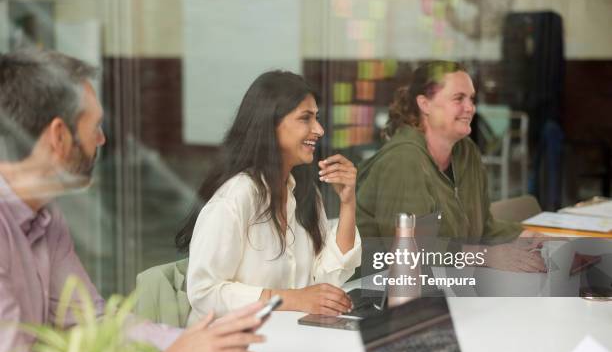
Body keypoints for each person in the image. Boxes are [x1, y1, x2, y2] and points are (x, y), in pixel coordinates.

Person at [0, 50, 264, 352]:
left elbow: (91, 321)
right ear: (58, 136)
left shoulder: (44, 214)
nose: (102, 139)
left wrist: (189, 343)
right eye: (94, 126)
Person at [176, 71, 361, 319]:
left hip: (291, 337)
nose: (319, 129)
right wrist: (293, 298)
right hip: (234, 346)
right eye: (305, 118)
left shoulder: (303, 190)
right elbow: (204, 293)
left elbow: (327, 278)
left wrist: (348, 202)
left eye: (317, 118)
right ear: (269, 125)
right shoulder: (236, 198)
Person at [356, 61, 544, 272]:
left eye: (471, 99)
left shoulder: (467, 151)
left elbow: (483, 228)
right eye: (458, 98)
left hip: (453, 282)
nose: (470, 108)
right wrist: (486, 255)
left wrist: (524, 235)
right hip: (384, 292)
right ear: (424, 104)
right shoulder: (403, 160)